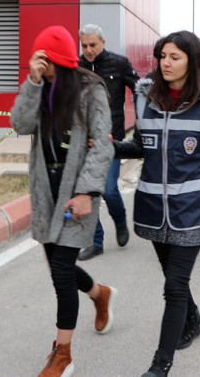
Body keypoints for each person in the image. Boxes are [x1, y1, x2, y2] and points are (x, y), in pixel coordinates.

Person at [114, 30, 200, 377]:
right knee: (177, 280)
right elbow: (141, 147)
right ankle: (194, 320)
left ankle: (161, 365)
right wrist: (111, 146)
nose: (165, 63)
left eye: (175, 57)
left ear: (193, 62)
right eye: (162, 56)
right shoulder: (145, 102)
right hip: (154, 210)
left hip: (193, 212)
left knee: (172, 286)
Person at [10, 25, 117, 376]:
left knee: (60, 273)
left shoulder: (90, 90)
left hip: (76, 190)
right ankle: (100, 294)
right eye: (39, 60)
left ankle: (63, 354)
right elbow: (20, 124)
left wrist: (87, 192)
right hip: (46, 190)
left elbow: (103, 143)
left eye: (47, 62)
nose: (44, 66)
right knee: (63, 267)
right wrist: (33, 81)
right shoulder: (40, 88)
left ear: (60, 60)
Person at [77, 24, 139, 261]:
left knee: (109, 189)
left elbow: (139, 90)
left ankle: (121, 221)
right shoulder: (76, 67)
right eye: (84, 45)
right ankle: (96, 241)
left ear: (103, 42)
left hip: (111, 138)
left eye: (92, 44)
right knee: (88, 191)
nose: (88, 50)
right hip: (83, 140)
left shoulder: (119, 63)